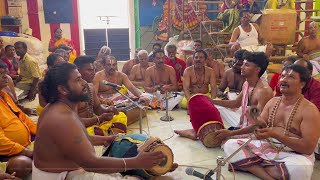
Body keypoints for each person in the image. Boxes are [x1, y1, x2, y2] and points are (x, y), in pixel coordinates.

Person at [33, 63, 165, 179]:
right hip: (61, 176)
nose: (84, 83)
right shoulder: (61, 118)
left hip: (71, 170)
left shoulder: (62, 108)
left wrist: (104, 140)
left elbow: (75, 140)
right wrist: (136, 162)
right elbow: (91, 163)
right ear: (63, 89)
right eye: (78, 80)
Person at [223, 64, 320, 180]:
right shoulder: (273, 102)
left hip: (294, 154)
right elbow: (260, 126)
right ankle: (268, 174)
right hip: (268, 147)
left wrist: (275, 134)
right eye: (282, 76)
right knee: (230, 145)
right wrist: (253, 119)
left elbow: (308, 148)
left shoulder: (309, 110)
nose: (283, 80)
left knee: (300, 169)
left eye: (291, 77)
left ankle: (251, 165)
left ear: (302, 84)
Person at [213, 51, 273, 128]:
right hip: (244, 120)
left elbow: (259, 123)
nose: (242, 67)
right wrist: (211, 101)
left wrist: (232, 134)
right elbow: (236, 103)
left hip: (255, 127)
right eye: (243, 64)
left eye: (246, 65)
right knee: (214, 107)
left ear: (257, 69)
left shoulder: (263, 91)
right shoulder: (247, 84)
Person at [74, 56, 128, 135]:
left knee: (120, 116)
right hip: (80, 128)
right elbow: (74, 121)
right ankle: (110, 138)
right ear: (78, 71)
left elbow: (98, 108)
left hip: (93, 122)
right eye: (89, 70)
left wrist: (107, 110)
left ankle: (113, 140)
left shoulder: (90, 87)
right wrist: (98, 119)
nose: (93, 73)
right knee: (90, 132)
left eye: (94, 70)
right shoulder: (72, 91)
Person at [0, 62, 36, 179]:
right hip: (6, 153)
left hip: (26, 143)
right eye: (0, 74)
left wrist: (41, 132)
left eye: (6, 73)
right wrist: (26, 152)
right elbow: (1, 142)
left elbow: (22, 117)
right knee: (21, 165)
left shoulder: (4, 96)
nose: (5, 76)